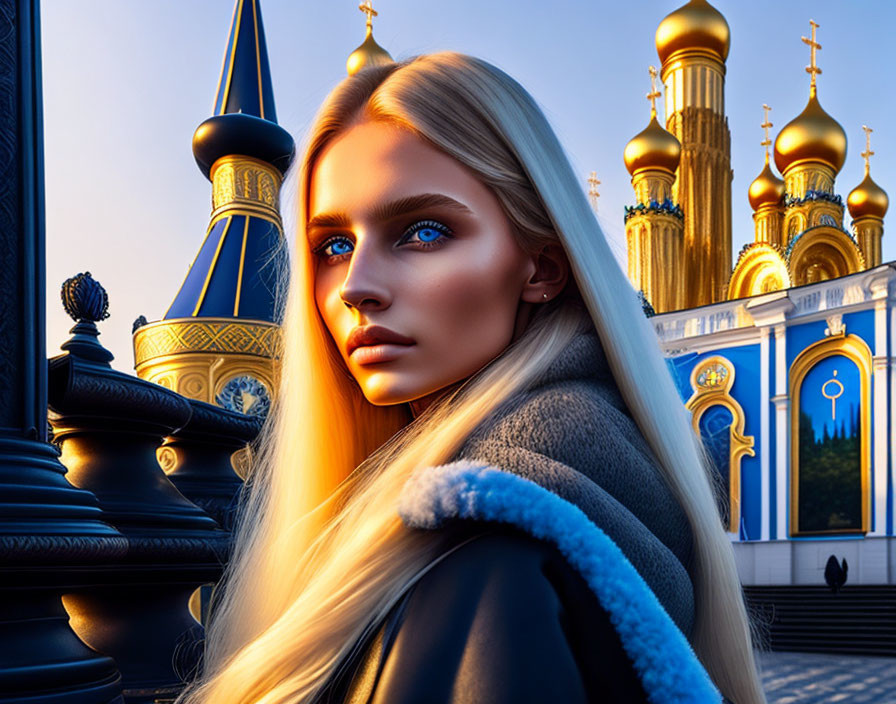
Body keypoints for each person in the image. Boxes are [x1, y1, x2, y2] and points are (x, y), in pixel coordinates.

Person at [177, 52, 767, 704]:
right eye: (334, 246)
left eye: (423, 231)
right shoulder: (530, 500)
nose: (357, 288)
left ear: (542, 268)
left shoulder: (488, 558)